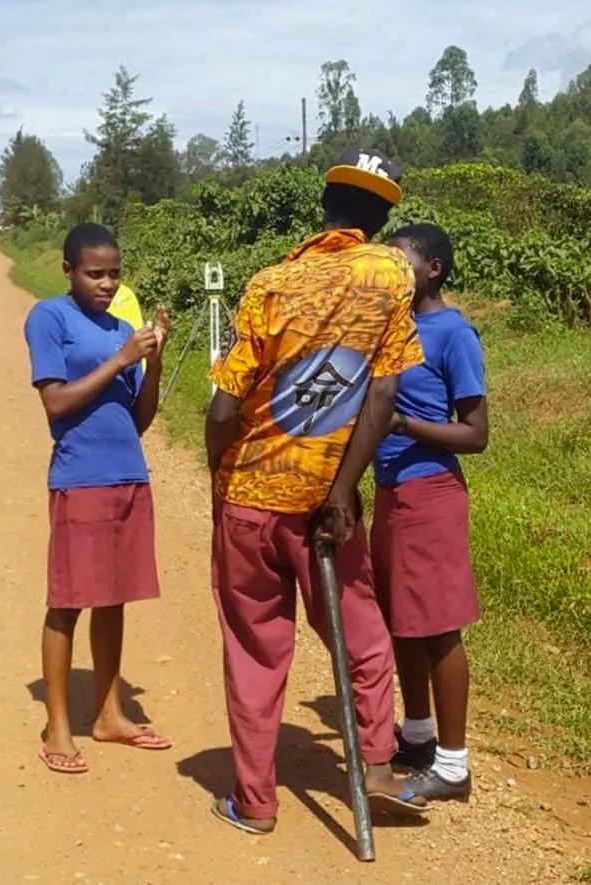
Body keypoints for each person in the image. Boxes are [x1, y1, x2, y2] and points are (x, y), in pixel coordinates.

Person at [205, 147, 428, 835]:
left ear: (323, 205)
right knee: (360, 634)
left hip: (251, 495)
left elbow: (221, 410)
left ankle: (255, 800)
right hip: (325, 503)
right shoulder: (392, 271)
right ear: (383, 216)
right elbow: (384, 391)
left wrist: (221, 487)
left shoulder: (269, 282)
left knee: (254, 648)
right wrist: (341, 488)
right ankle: (380, 767)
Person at [24, 222, 172, 774]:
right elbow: (56, 404)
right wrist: (121, 359)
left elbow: (138, 421)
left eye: (114, 273)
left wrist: (150, 362)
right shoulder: (49, 318)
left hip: (127, 473)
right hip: (79, 477)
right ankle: (58, 725)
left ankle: (109, 714)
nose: (106, 284)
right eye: (94, 274)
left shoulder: (119, 328)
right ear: (68, 271)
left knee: (114, 597)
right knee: (68, 600)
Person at [371, 223, 488, 801]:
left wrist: (403, 425)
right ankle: (416, 735)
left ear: (433, 269)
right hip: (391, 493)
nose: (390, 273)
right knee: (401, 621)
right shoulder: (390, 328)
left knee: (439, 627)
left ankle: (452, 764)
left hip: (431, 493)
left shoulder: (451, 334)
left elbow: (475, 434)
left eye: (401, 263)